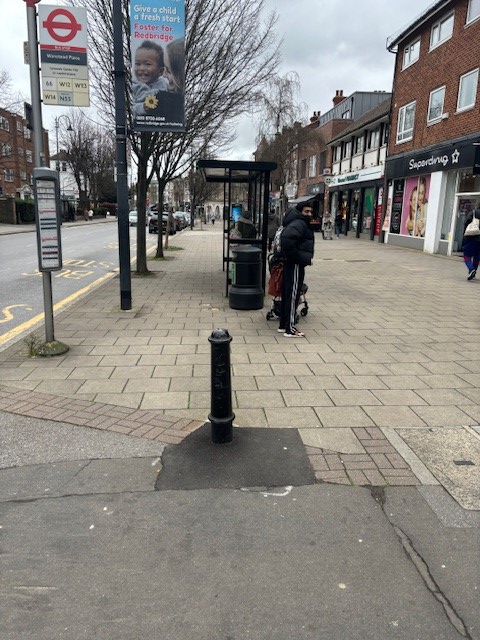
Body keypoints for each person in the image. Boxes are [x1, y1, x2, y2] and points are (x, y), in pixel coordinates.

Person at [278, 201, 314, 338]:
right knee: (293, 295)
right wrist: (296, 257)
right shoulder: (299, 223)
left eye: (310, 211)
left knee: (288, 294)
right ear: (300, 212)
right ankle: (290, 328)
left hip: (293, 264)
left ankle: (284, 325)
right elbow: (287, 239)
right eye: (306, 211)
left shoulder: (297, 222)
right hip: (295, 265)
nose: (309, 214)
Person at [132, 41, 169, 116]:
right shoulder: (134, 86)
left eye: (147, 64)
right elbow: (131, 108)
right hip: (142, 124)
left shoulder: (165, 85)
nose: (141, 68)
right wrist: (143, 107)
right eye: (137, 64)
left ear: (161, 71)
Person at [462, 207, 480, 280]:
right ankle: (474, 271)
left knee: (467, 255)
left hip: (471, 237)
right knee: (477, 257)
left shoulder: (473, 212)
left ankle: (471, 269)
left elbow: (466, 223)